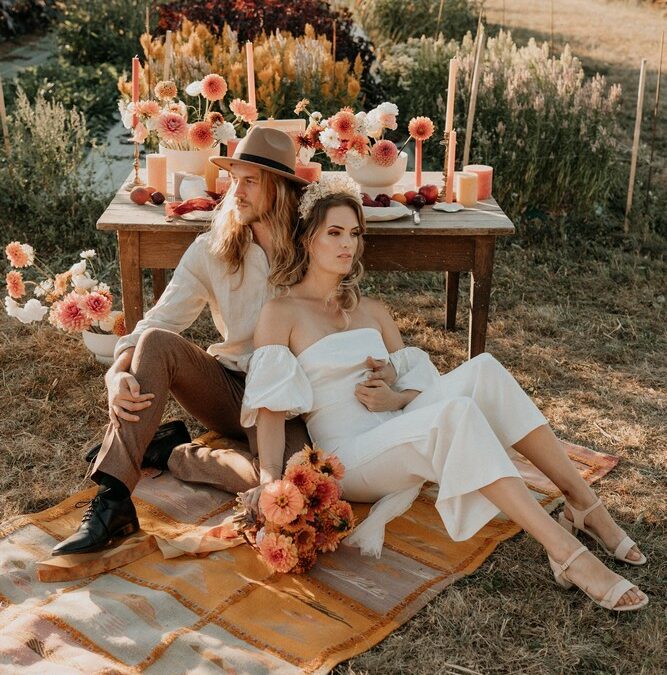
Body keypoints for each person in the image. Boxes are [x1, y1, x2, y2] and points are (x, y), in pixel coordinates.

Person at [238, 174, 648, 612]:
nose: (347, 245)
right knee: (454, 414)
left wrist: (394, 397)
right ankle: (566, 552)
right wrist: (269, 484)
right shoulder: (280, 313)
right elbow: (270, 408)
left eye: (354, 233)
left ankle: (581, 501)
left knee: (484, 371)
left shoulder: (372, 309)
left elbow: (422, 381)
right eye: (334, 233)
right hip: (352, 458)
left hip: (400, 428)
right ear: (306, 240)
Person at [52, 127, 318, 556]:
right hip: (229, 390)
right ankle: (113, 500)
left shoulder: (312, 248)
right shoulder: (212, 249)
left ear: (281, 189)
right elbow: (156, 323)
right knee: (156, 342)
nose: (237, 191)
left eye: (250, 181)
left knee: (288, 485)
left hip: (289, 404)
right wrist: (115, 373)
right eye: (234, 179)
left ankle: (172, 450)